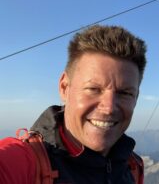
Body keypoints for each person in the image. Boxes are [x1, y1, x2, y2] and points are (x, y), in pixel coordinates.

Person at [0, 25, 147, 183]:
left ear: (136, 98)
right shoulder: (19, 163)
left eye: (125, 93)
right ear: (64, 88)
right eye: (93, 89)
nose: (109, 108)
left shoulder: (133, 166)